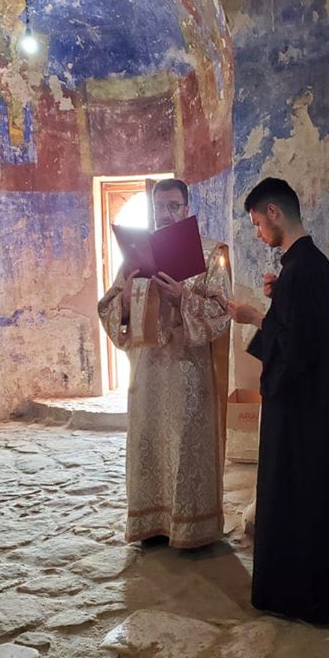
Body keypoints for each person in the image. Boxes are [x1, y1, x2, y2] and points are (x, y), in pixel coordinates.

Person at [228, 177, 329, 624]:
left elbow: (296, 349)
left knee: (303, 495)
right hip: (318, 403)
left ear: (274, 212)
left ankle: (308, 597)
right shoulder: (306, 264)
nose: (257, 233)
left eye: (257, 223)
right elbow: (303, 330)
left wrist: (256, 317)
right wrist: (278, 303)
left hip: (304, 410)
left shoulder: (302, 269)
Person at [98, 178, 231, 549]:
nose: (167, 213)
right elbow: (108, 307)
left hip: (188, 371)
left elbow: (222, 312)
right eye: (160, 207)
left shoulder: (210, 254)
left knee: (185, 446)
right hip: (147, 371)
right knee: (149, 443)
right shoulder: (136, 254)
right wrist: (126, 299)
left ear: (187, 209)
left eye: (174, 206)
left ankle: (191, 528)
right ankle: (152, 523)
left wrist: (182, 297)